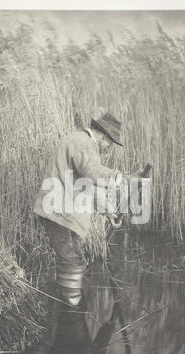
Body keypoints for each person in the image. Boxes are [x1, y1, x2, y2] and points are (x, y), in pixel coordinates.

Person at [33, 113, 125, 307]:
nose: (109, 149)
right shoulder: (83, 143)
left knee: (72, 259)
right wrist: (117, 177)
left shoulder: (80, 143)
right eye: (110, 143)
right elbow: (92, 172)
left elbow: (86, 184)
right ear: (104, 136)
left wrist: (107, 211)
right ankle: (71, 312)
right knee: (73, 261)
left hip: (62, 215)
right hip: (60, 214)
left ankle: (66, 304)